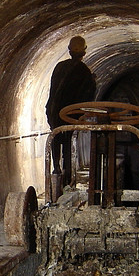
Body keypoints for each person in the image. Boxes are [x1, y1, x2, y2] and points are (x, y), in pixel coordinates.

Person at [45, 36, 96, 183]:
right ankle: (67, 175)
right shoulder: (84, 71)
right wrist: (93, 81)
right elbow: (88, 96)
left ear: (69, 51)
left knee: (55, 135)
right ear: (84, 52)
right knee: (68, 140)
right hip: (70, 114)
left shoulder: (59, 67)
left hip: (54, 111)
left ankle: (56, 170)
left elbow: (54, 90)